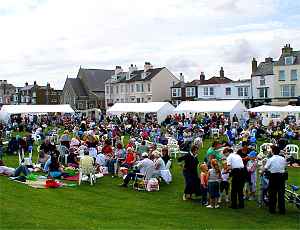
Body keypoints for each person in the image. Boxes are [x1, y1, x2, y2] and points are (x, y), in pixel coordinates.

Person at [264, 145, 287, 214]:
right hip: (281, 177)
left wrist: (262, 171)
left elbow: (266, 168)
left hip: (273, 176)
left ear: (273, 151)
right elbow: (284, 167)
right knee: (281, 194)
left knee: (272, 194)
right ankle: (282, 210)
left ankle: (272, 209)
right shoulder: (283, 158)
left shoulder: (271, 159)